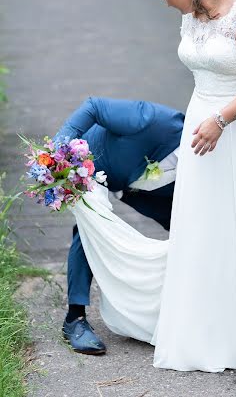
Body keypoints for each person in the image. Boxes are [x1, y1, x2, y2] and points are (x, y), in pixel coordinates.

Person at [68, 0, 236, 380]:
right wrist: (206, 118)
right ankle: (208, 331)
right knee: (204, 225)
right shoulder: (193, 13)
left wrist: (221, 119)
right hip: (203, 126)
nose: (165, 5)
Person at [52, 96, 184, 354]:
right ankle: (75, 319)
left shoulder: (207, 169)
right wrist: (58, 153)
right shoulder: (152, 120)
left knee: (191, 228)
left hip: (140, 186)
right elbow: (94, 106)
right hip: (91, 165)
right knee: (91, 228)